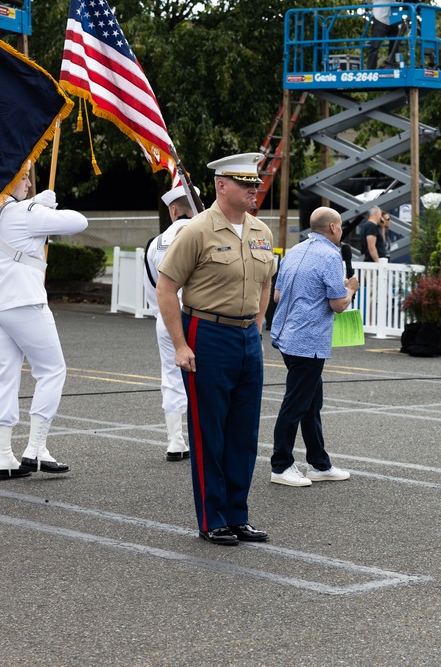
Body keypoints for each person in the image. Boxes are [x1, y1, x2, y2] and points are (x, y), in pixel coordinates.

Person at [156, 153, 276, 546]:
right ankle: (213, 518)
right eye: (245, 184)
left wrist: (257, 326)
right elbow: (167, 287)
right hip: (207, 332)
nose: (253, 190)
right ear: (221, 186)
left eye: (255, 184)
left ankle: (238, 515)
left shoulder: (261, 231)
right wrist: (179, 344)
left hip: (245, 338)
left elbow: (264, 284)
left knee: (244, 431)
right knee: (210, 432)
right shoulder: (197, 230)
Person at [0, 170, 88, 480]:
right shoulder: (25, 211)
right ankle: (36, 448)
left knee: (4, 378)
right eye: (22, 178)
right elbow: (79, 222)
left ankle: (4, 457)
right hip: (23, 301)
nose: (28, 183)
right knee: (52, 371)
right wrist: (42, 207)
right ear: (7, 180)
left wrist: (34, 204)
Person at [268, 207, 360, 487]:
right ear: (332, 228)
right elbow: (337, 304)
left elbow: (277, 295)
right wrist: (351, 288)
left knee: (310, 401)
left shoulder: (295, 251)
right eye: (341, 226)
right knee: (296, 403)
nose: (341, 231)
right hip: (309, 341)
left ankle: (319, 463)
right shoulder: (331, 255)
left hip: (287, 334)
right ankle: (281, 465)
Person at [143, 184, 201, 462]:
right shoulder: (204, 233)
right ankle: (205, 439)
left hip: (166, 318)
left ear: (174, 211)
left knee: (171, 377)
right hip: (199, 316)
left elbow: (153, 289)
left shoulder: (154, 244)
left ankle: (176, 441)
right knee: (207, 380)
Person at [366, 0, 402, 70]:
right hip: (381, 18)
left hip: (392, 19)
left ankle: (391, 64)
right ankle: (371, 70)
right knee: (375, 46)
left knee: (395, 44)